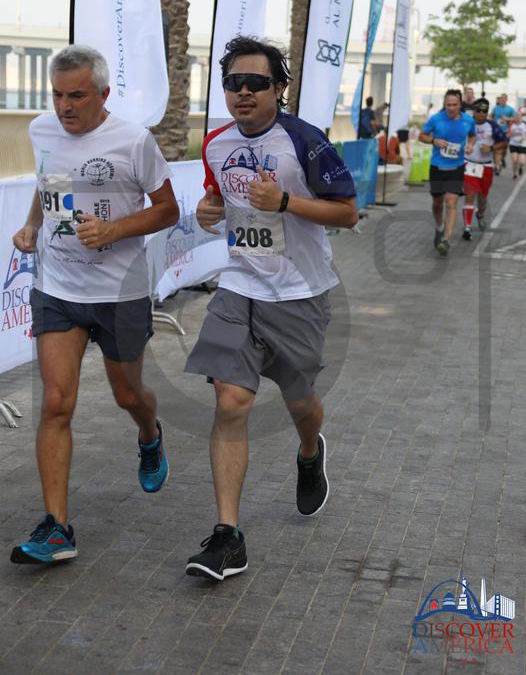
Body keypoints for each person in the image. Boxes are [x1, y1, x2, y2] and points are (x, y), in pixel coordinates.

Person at [184, 36, 358, 582]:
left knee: (300, 400)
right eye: (233, 83)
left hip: (300, 292)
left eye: (256, 83)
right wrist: (208, 209)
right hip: (240, 284)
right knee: (231, 400)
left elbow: (348, 212)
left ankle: (309, 450)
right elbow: (217, 198)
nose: (243, 92)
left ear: (279, 88)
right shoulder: (216, 144)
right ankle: (228, 536)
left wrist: (285, 201)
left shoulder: (304, 140)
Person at [10, 45, 179, 565]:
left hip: (120, 293)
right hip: (58, 290)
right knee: (56, 402)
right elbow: (48, 180)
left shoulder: (134, 140)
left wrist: (114, 229)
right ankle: (56, 527)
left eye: (77, 96)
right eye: (57, 95)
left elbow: (168, 210)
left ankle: (149, 434)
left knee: (128, 395)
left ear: (103, 95)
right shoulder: (42, 130)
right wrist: (32, 225)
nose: (65, 106)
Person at [418, 89, 476, 256]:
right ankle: (439, 227)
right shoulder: (436, 119)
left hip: (456, 168)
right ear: (444, 104)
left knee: (451, 202)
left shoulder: (468, 120)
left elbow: (472, 135)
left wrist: (470, 145)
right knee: (437, 203)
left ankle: (446, 239)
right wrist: (433, 140)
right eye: (448, 105)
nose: (451, 108)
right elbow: (421, 135)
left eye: (454, 105)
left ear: (460, 105)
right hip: (437, 167)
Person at [461, 98, 506, 240]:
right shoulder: (466, 123)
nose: (481, 114)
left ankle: (480, 214)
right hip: (469, 165)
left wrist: (491, 148)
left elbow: (503, 142)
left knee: (482, 198)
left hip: (485, 167)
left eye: (484, 111)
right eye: (479, 111)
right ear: (474, 112)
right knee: (469, 196)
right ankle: (467, 228)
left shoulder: (493, 126)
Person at [491, 94, 515, 174]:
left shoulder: (510, 109)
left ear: (506, 100)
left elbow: (515, 118)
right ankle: (497, 166)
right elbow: (491, 116)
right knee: (496, 149)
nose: (503, 100)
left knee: (503, 150)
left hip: (505, 132)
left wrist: (507, 119)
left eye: (504, 99)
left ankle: (502, 158)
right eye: (502, 99)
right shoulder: (495, 108)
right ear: (500, 99)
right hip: (496, 131)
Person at [508, 113, 526, 179]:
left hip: (522, 145)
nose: (517, 117)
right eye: (516, 116)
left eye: (519, 116)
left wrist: (523, 138)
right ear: (515, 117)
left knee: (522, 162)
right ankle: (514, 174)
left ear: (521, 117)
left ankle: (520, 167)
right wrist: (510, 134)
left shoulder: (524, 125)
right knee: (514, 160)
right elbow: (508, 134)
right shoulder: (512, 125)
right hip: (513, 144)